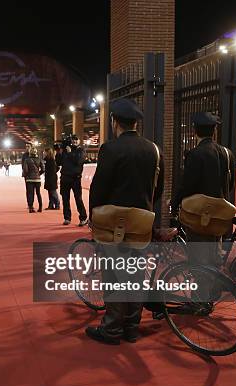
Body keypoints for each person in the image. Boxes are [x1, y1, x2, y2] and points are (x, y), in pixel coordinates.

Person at [87, 98, 164, 345]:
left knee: (113, 275)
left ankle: (111, 329)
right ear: (136, 123)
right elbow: (158, 189)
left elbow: (99, 189)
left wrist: (94, 218)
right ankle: (132, 327)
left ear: (114, 122)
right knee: (135, 275)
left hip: (115, 224)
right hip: (142, 223)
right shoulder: (154, 150)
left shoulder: (110, 149)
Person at [170, 112, 236, 264]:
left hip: (198, 217)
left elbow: (187, 185)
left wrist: (175, 203)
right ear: (214, 131)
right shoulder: (227, 154)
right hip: (219, 216)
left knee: (198, 261)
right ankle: (214, 285)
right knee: (215, 257)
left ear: (194, 130)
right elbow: (230, 184)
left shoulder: (195, 154)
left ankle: (202, 286)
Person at [58, 135, 88, 226]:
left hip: (75, 178)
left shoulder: (81, 150)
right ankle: (67, 218)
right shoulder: (66, 150)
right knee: (65, 199)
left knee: (78, 199)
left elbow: (78, 161)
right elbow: (59, 162)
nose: (74, 141)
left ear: (79, 141)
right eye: (73, 140)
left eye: (76, 140)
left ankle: (83, 218)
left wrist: (70, 153)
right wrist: (59, 152)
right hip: (64, 178)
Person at [22, 147, 44, 213]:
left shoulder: (27, 160)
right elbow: (43, 169)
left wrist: (25, 175)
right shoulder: (39, 159)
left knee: (30, 193)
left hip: (29, 179)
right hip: (37, 179)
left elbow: (25, 170)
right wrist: (38, 174)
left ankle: (31, 207)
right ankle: (40, 207)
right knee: (38, 193)